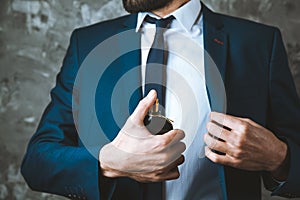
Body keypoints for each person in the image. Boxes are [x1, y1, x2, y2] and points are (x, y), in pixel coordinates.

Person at [21, 0, 300, 199]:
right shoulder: (88, 44)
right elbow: (37, 162)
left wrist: (279, 157)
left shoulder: (258, 43)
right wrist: (108, 162)